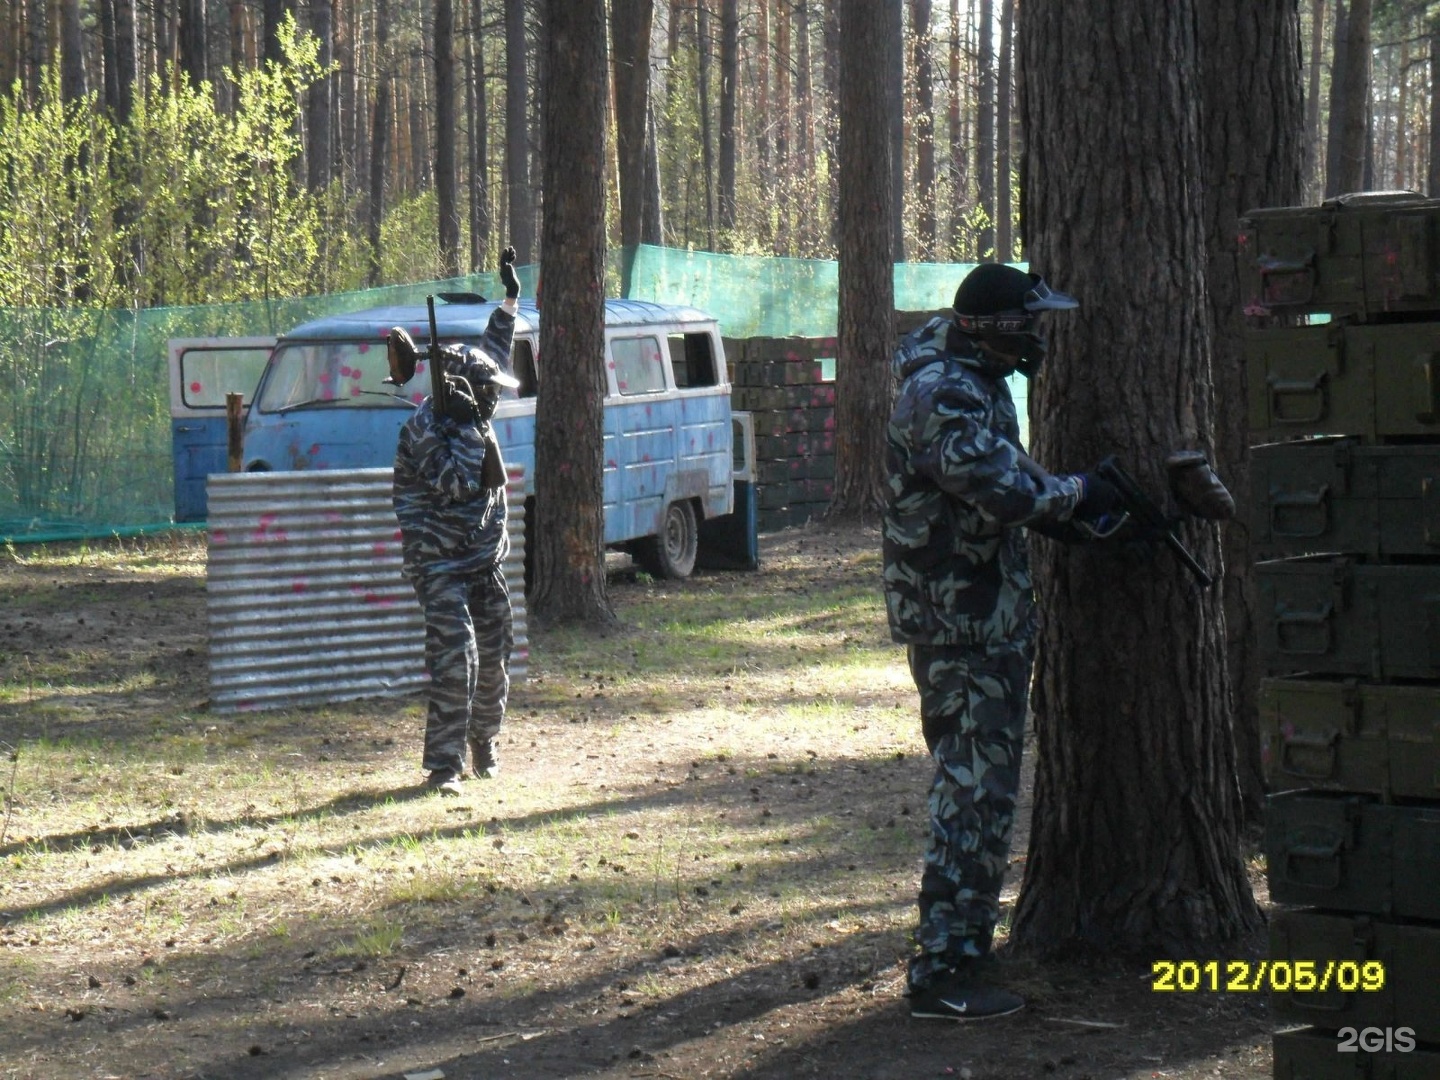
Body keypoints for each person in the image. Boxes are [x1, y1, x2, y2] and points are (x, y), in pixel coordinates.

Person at [882, 262, 1121, 1019]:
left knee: (979, 792)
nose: (1038, 338)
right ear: (993, 329)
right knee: (973, 797)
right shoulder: (943, 393)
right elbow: (1002, 487)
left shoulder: (967, 376)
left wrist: (1070, 510)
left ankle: (957, 955)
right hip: (962, 623)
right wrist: (1077, 495)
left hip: (980, 613)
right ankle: (945, 973)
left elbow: (1007, 485)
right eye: (1030, 323)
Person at [392, 249, 524, 796]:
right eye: (487, 394)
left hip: (483, 557)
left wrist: (509, 299)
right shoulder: (427, 430)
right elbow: (459, 485)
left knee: (496, 650)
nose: (495, 399)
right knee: (456, 656)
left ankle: (484, 743)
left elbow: (491, 352)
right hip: (440, 561)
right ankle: (444, 765)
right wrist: (468, 429)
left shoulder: (475, 397)